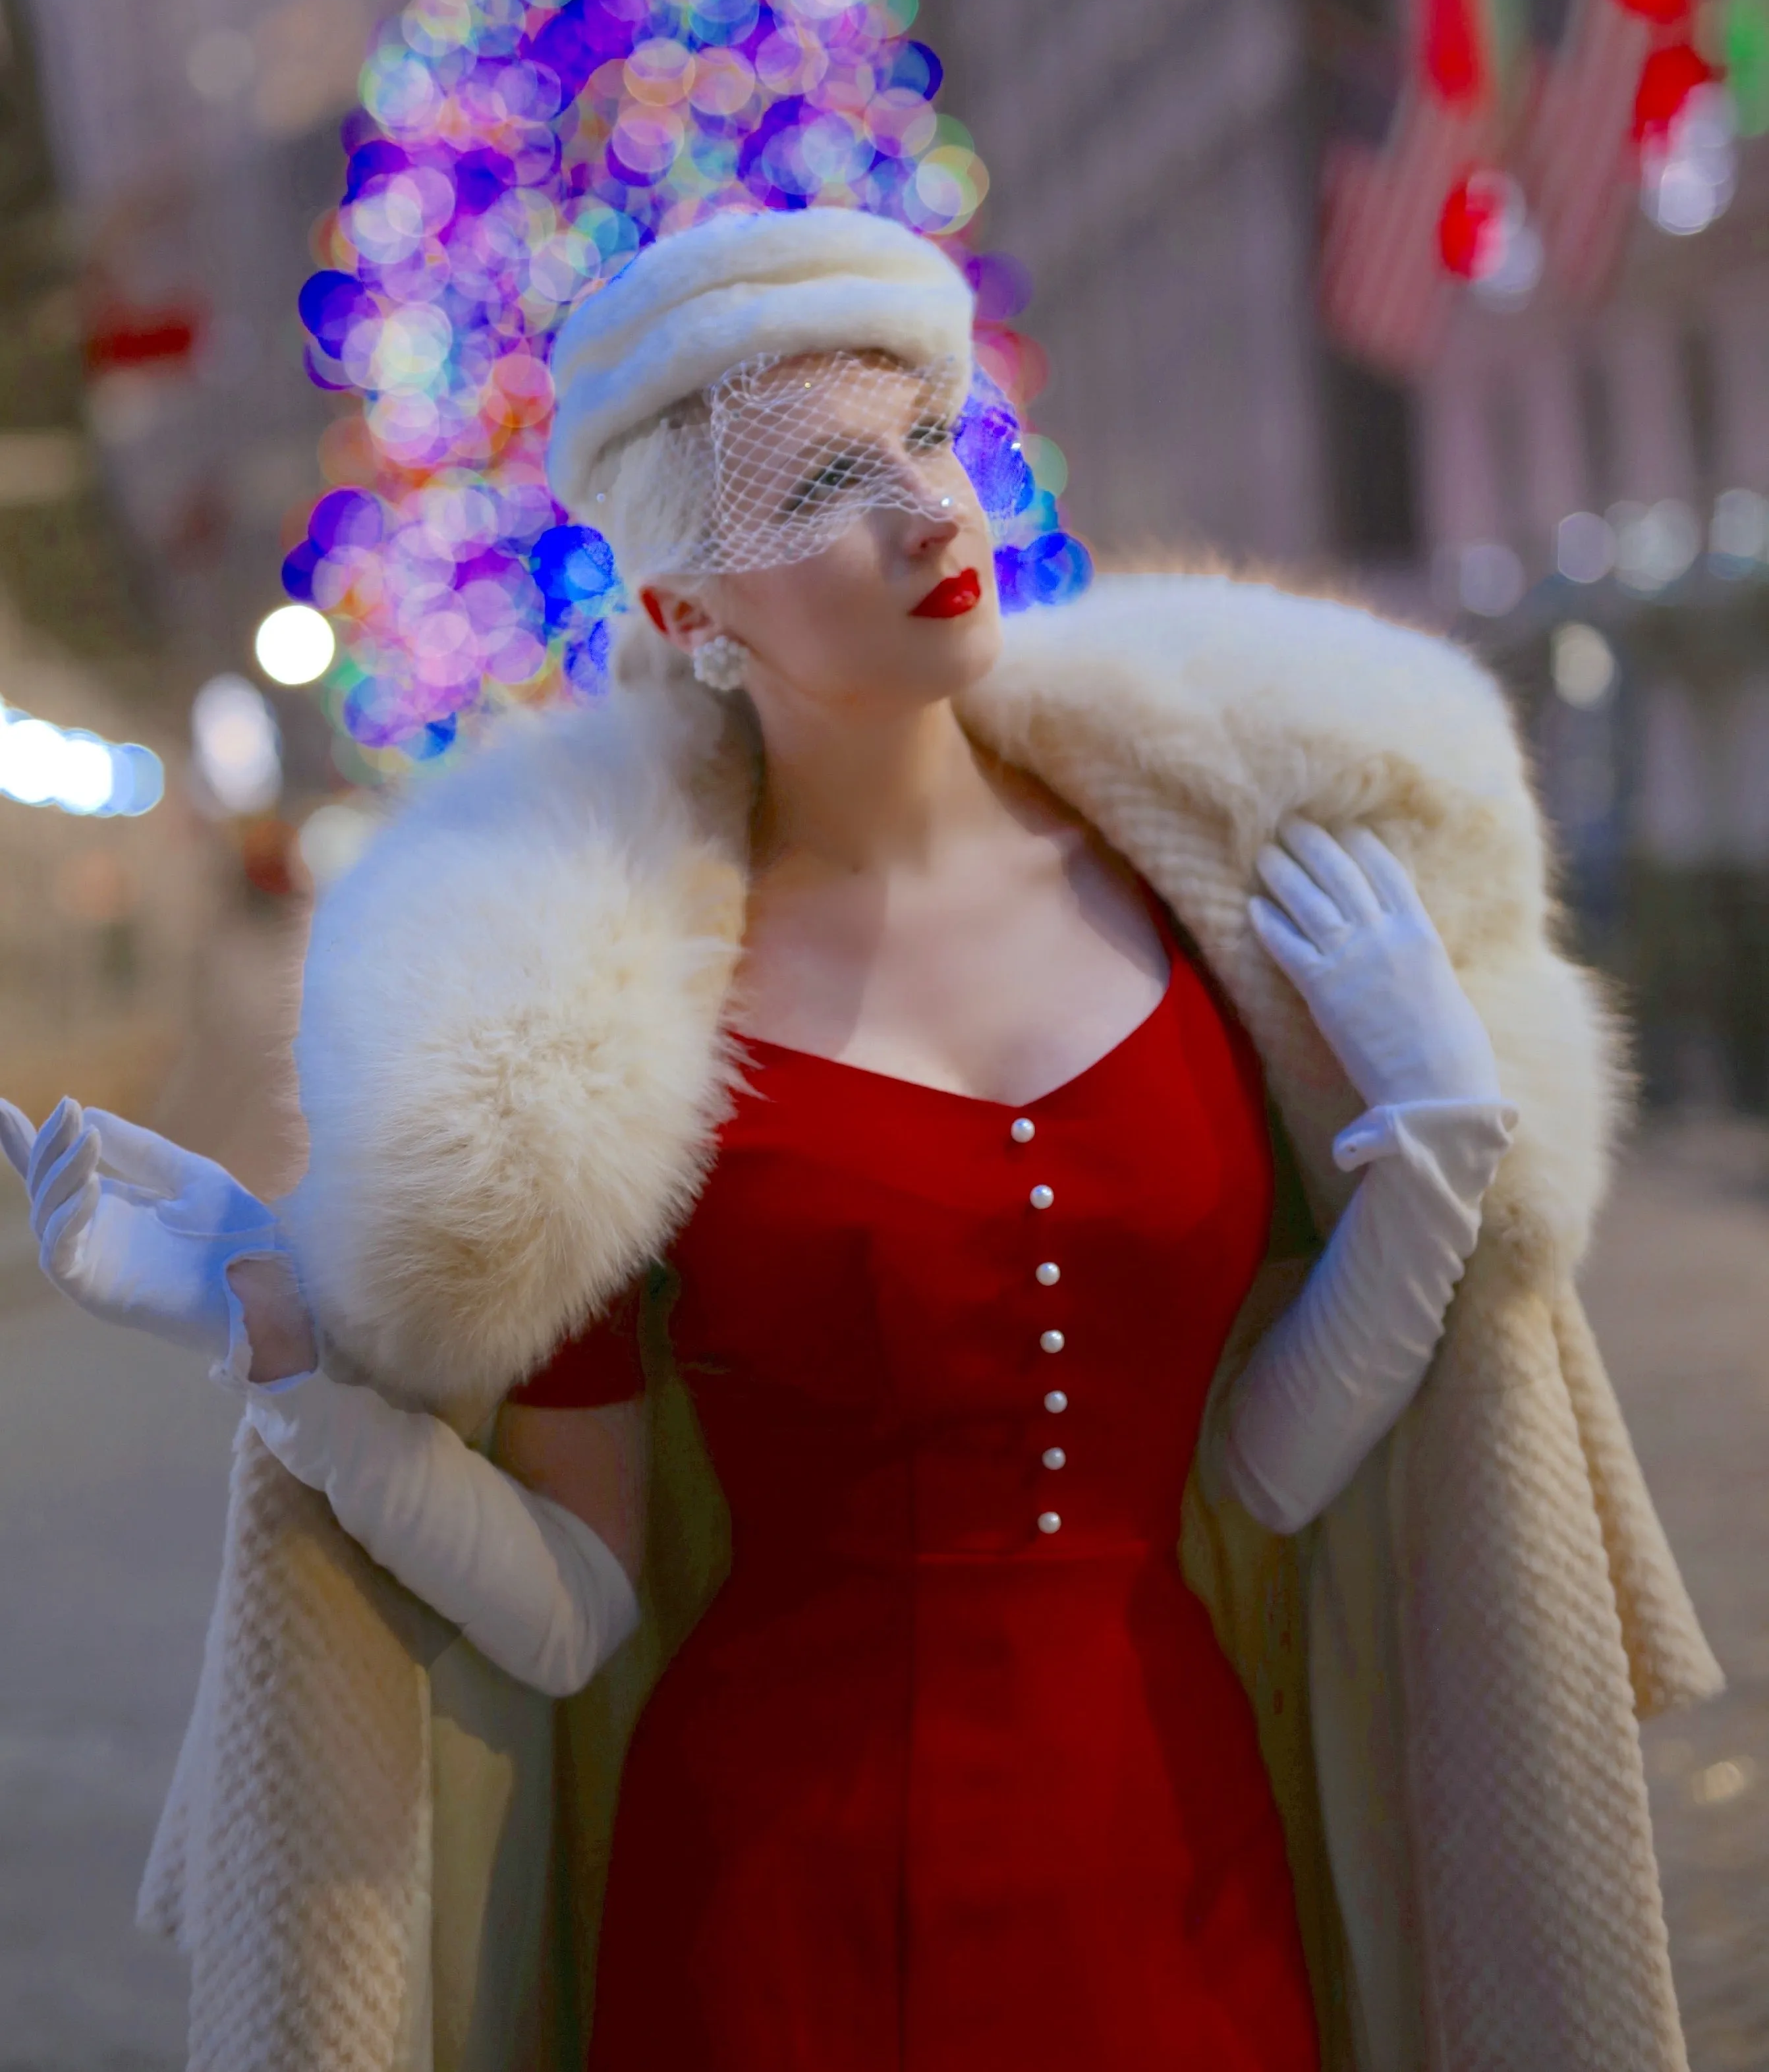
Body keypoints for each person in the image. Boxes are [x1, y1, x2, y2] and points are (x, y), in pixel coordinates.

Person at [1, 209, 1719, 2072]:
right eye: (825, 478)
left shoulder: (1211, 890)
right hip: (776, 1929)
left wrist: (1436, 1146)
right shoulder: (597, 1030)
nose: (928, 509)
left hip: (1186, 1887)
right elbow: (575, 1613)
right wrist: (281, 1344)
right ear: (684, 611)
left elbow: (1264, 1473)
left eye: (928, 437)